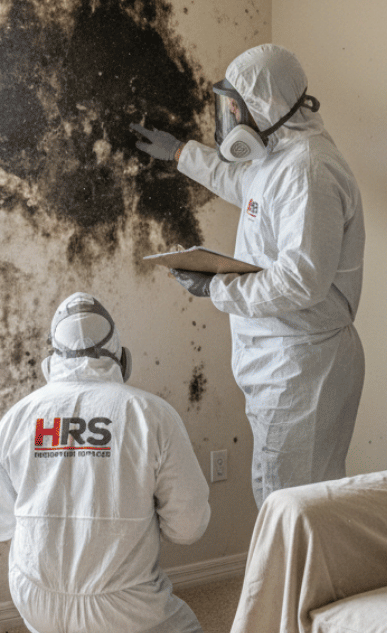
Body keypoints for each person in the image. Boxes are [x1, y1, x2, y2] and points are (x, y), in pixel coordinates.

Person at [0, 292, 216, 633]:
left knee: (60, 625)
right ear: (123, 360)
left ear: (49, 363)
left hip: (37, 600)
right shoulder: (151, 414)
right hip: (124, 605)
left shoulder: (20, 416)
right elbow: (189, 527)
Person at [132, 43, 365, 508]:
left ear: (264, 104)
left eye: (235, 106)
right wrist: (181, 153)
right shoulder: (282, 159)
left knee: (286, 503)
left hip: (301, 365)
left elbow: (301, 280)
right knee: (298, 501)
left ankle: (292, 564)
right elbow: (244, 185)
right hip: (288, 359)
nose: (231, 117)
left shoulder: (308, 170)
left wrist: (217, 286)